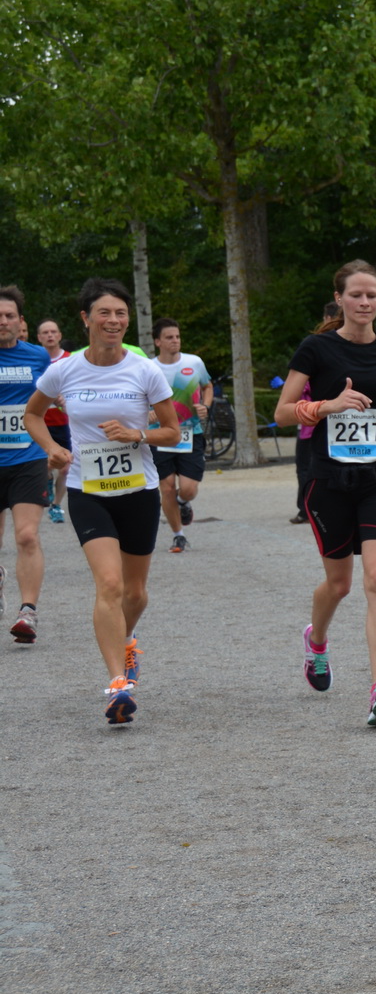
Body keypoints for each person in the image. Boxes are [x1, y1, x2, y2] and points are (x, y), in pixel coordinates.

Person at [23, 279, 180, 722]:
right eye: (105, 313)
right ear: (86, 318)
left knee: (136, 593)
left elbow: (173, 431)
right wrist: (51, 448)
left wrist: (138, 434)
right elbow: (33, 414)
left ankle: (125, 641)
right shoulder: (65, 370)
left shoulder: (144, 370)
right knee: (109, 584)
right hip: (88, 491)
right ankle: (117, 684)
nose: (114, 321)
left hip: (139, 491)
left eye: (120, 313)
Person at [274, 260, 376, 727]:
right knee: (340, 584)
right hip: (327, 479)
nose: (364, 302)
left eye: (372, 294)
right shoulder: (316, 348)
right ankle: (316, 641)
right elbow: (282, 412)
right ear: (339, 298)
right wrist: (328, 405)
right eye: (356, 294)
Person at [1, 287, 53, 642]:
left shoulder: (37, 357)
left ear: (20, 321)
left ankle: (28, 612)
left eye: (9, 316)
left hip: (27, 457)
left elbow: (56, 394)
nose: (2, 322)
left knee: (27, 534)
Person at [148, 318, 214, 553]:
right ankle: (179, 535)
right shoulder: (149, 368)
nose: (175, 341)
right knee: (166, 488)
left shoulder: (194, 362)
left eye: (177, 336)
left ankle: (183, 502)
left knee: (187, 488)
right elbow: (139, 397)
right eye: (169, 337)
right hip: (160, 435)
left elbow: (207, 386)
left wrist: (205, 406)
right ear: (158, 342)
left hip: (190, 433)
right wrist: (147, 413)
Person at [291, 303, 344, 526]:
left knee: (305, 468)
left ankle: (306, 509)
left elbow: (306, 388)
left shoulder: (316, 346)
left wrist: (291, 386)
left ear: (328, 318)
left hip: (311, 425)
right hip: (333, 422)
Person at [35, 319, 72, 524]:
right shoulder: (34, 360)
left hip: (65, 422)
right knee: (45, 464)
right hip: (42, 422)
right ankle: (47, 478)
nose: (50, 335)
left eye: (53, 332)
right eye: (45, 332)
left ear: (59, 335)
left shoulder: (70, 359)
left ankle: (56, 505)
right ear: (39, 337)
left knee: (66, 466)